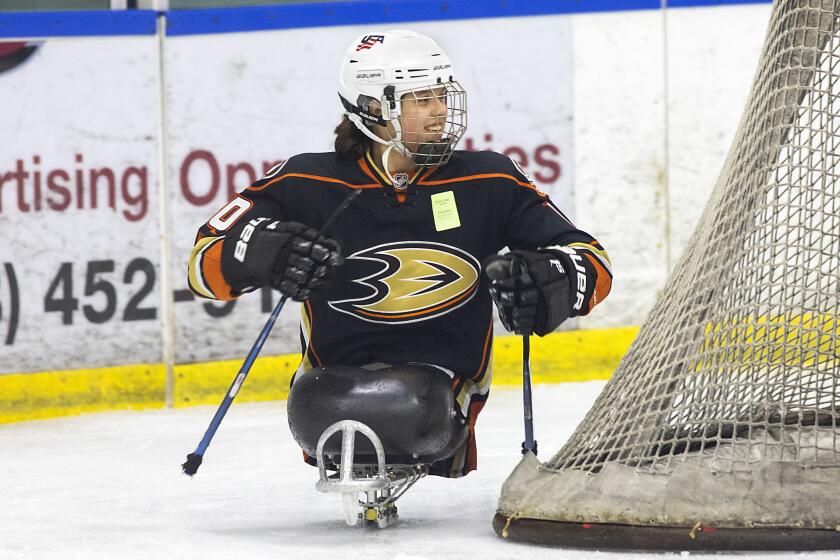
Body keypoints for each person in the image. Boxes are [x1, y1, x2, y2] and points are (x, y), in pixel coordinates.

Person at [188, 30, 612, 479]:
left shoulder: (489, 178)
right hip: (329, 390)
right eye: (421, 99)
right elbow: (202, 265)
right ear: (373, 109)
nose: (440, 112)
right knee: (351, 400)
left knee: (414, 403)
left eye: (442, 96)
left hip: (443, 391)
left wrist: (555, 279)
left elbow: (592, 260)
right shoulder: (305, 180)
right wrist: (262, 252)